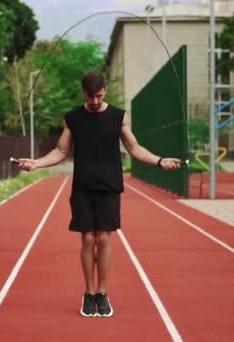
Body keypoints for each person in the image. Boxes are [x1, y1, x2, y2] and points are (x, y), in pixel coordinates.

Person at [14, 71, 181, 318]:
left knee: (103, 238)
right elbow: (61, 150)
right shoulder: (72, 118)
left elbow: (134, 148)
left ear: (105, 91)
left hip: (109, 185)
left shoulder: (118, 117)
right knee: (87, 239)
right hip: (82, 186)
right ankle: (89, 293)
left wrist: (159, 161)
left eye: (99, 96)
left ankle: (102, 292)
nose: (94, 101)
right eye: (90, 96)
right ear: (83, 92)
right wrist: (37, 163)